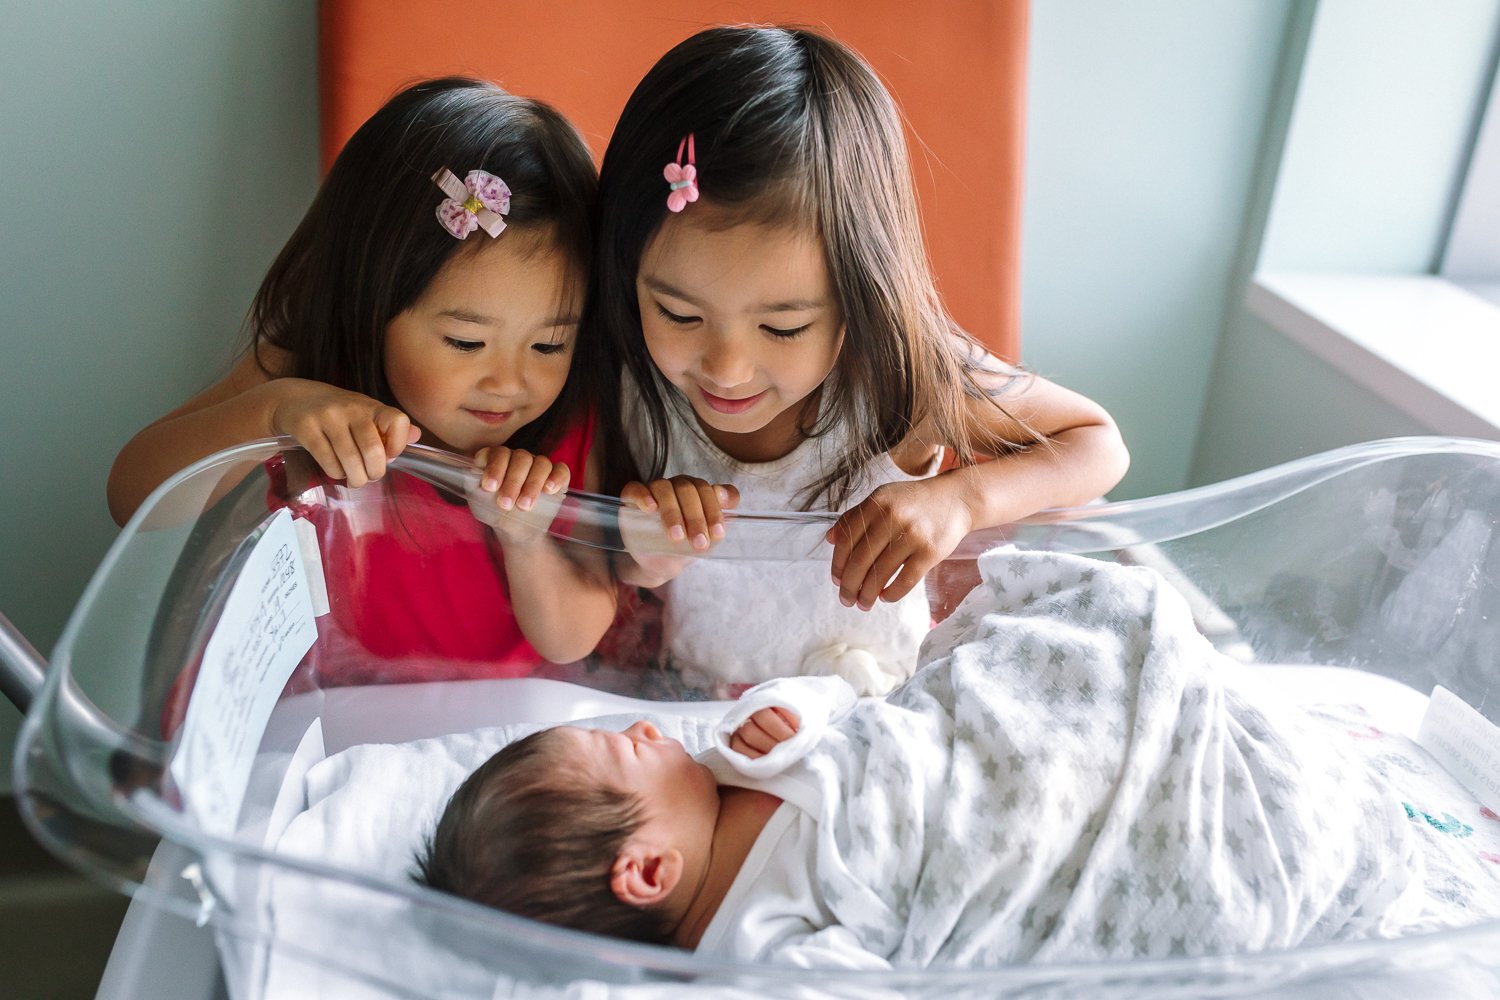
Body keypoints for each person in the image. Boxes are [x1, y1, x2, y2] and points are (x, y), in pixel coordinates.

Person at [414, 548, 1500, 968]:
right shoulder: (766, 939)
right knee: (1194, 856)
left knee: (1091, 618)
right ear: (647, 869)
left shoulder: (732, 764)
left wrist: (797, 714)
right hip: (1012, 848)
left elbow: (862, 704)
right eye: (621, 745)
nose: (649, 726)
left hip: (976, 744)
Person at [595, 26, 1130, 696]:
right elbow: (610, 568)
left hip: (865, 721)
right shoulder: (634, 380)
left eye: (784, 327)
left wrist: (959, 500)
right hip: (692, 714)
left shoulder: (898, 385)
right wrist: (646, 553)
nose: (726, 368)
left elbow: (1098, 444)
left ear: (859, 295)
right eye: (680, 315)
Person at [109, 78, 619, 682]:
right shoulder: (304, 381)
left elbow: (573, 638)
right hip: (305, 727)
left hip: (478, 736)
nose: (510, 382)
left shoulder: (571, 424)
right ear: (369, 304)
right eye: (466, 342)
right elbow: (134, 497)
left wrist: (526, 538)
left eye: (549, 344)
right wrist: (273, 412)